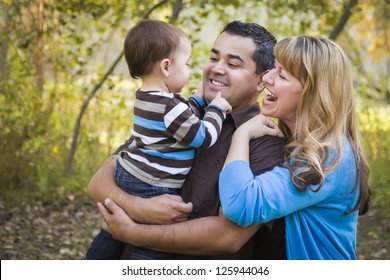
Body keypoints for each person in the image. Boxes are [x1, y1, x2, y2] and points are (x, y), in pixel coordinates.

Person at [89, 20, 287, 259]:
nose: (217, 69)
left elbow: (227, 237)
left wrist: (133, 232)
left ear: (261, 80)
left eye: (233, 63)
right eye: (214, 59)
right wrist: (140, 208)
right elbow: (99, 182)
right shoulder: (179, 111)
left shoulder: (266, 143)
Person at [218, 36, 371, 260]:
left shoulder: (328, 158)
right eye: (273, 68)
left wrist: (241, 135)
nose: (267, 77)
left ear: (312, 93)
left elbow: (239, 204)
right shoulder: (306, 147)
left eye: (281, 75)